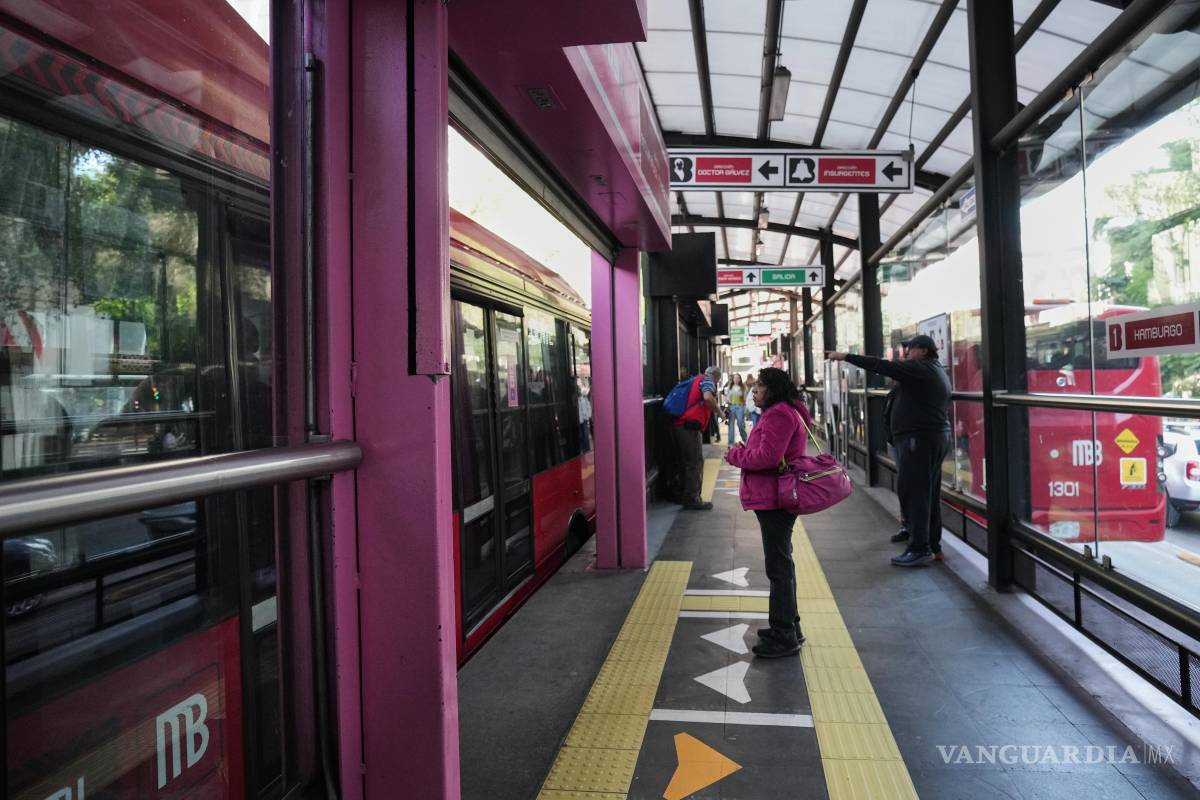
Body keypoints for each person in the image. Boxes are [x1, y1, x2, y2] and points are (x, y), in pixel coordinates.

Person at [827, 335, 951, 566]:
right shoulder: (932, 370)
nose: (906, 354)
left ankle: (920, 548)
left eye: (910, 349)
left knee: (916, 493)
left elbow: (881, 365)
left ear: (923, 350)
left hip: (919, 439)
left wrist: (846, 357)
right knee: (927, 494)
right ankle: (931, 545)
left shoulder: (921, 368)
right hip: (927, 437)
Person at [724, 367, 815, 658]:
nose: (754, 390)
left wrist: (735, 455)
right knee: (782, 564)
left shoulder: (778, 414)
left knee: (778, 567)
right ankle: (790, 626)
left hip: (775, 498)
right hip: (777, 496)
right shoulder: (787, 411)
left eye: (760, 386)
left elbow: (767, 457)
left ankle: (784, 635)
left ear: (772, 389)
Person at [672, 365, 722, 510]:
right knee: (694, 462)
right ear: (716, 377)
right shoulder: (707, 381)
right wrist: (720, 412)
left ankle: (684, 495)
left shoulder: (695, 379)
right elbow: (707, 397)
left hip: (679, 424)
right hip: (687, 426)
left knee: (686, 462)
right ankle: (692, 499)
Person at [881, 383, 909, 543]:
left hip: (909, 444)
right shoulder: (897, 391)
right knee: (905, 487)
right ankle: (907, 526)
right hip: (900, 442)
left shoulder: (904, 390)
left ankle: (913, 530)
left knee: (910, 488)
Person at [726, 374, 747, 445]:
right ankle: (730, 443)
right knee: (731, 425)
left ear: (740, 379)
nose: (736, 379)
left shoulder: (743, 387)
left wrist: (745, 409)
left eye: (738, 378)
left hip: (740, 407)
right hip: (732, 407)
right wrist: (728, 400)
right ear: (733, 379)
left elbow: (744, 400)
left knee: (740, 424)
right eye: (735, 378)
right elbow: (727, 397)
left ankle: (745, 439)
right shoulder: (730, 387)